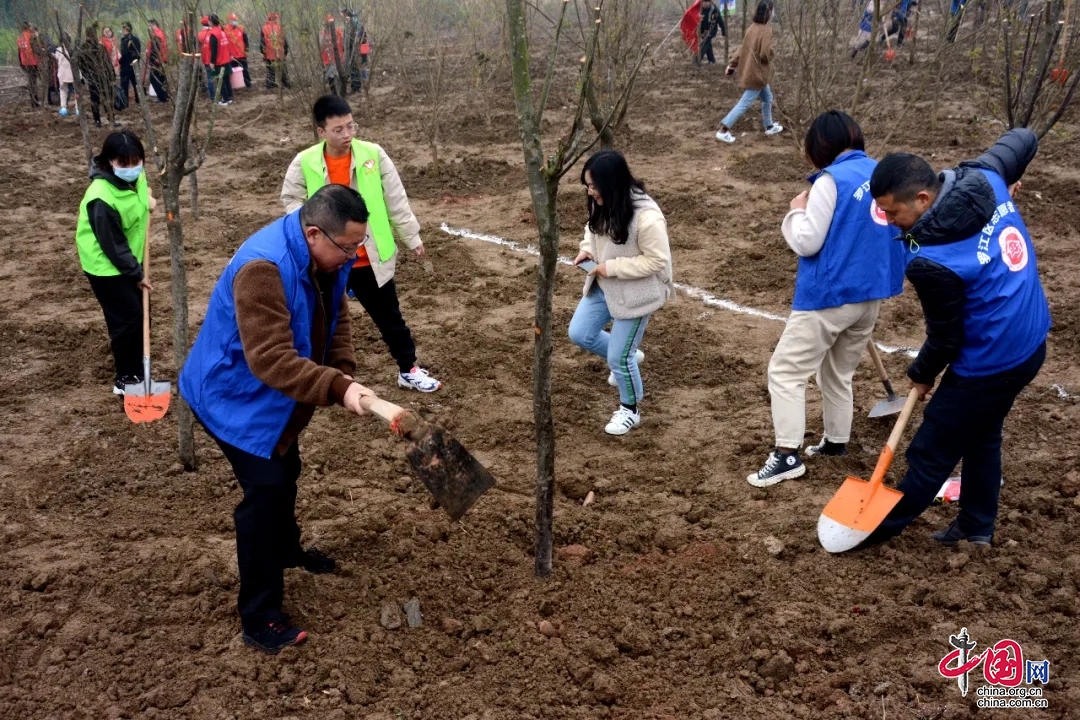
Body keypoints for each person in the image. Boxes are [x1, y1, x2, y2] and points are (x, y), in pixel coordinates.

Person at [180, 185, 376, 653]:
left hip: (270, 397)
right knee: (265, 495)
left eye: (360, 244)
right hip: (229, 397)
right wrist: (337, 388)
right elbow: (269, 359)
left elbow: (336, 313)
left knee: (287, 467)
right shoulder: (262, 271)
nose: (355, 254)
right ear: (313, 234)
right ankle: (260, 616)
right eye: (349, 247)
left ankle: (287, 552)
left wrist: (343, 367)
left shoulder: (330, 255)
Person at [860, 129, 1049, 548]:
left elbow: (946, 337)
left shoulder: (929, 260)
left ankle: (873, 531)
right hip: (1031, 338)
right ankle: (976, 524)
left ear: (924, 200)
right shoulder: (984, 176)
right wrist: (1010, 181)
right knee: (982, 432)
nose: (889, 223)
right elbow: (1023, 137)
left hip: (992, 359)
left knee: (933, 447)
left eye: (893, 213)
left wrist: (921, 373)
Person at [747, 111, 906, 487]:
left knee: (785, 372)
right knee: (837, 372)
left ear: (820, 147)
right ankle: (836, 442)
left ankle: (787, 455)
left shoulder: (830, 181)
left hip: (830, 296)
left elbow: (807, 241)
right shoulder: (884, 173)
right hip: (872, 295)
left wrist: (795, 211)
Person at [281, 95, 443, 393]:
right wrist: (311, 228)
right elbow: (290, 199)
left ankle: (408, 369)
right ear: (321, 132)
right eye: (338, 129)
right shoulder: (305, 162)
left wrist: (411, 236)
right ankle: (319, 378)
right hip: (327, 258)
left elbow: (396, 198)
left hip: (370, 255)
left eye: (350, 126)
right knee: (321, 318)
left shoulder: (373, 154)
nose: (347, 135)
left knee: (390, 317)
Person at [569, 150, 675, 436]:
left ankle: (630, 410)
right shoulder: (601, 201)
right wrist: (587, 249)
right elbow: (592, 232)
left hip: (637, 293)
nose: (590, 192)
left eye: (594, 186)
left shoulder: (647, 217)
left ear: (612, 183)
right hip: (605, 285)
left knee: (618, 359)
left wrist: (610, 267)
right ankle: (630, 355)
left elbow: (657, 261)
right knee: (579, 333)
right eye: (587, 186)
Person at [75, 131, 156, 395]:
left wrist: (148, 203)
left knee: (140, 314)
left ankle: (135, 367)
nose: (132, 168)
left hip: (128, 256)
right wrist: (136, 273)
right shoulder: (100, 197)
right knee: (128, 319)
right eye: (124, 164)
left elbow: (140, 195)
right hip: (104, 265)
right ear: (110, 162)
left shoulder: (137, 177)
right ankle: (126, 380)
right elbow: (112, 245)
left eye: (136, 162)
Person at [715, 0, 783, 143]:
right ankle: (724, 130)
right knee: (744, 104)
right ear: (769, 12)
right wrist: (772, 53)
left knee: (767, 98)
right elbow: (765, 54)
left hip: (754, 74)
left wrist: (732, 65)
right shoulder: (766, 30)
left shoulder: (752, 28)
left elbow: (742, 48)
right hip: (758, 75)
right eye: (772, 10)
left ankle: (769, 126)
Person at [80, 26, 117, 127]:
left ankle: (97, 121)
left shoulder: (83, 48)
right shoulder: (100, 47)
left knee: (94, 99)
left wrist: (85, 76)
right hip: (103, 76)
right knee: (107, 98)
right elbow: (107, 63)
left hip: (92, 77)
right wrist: (112, 75)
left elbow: (81, 65)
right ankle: (111, 119)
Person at [207, 15, 234, 106]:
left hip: (219, 61)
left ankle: (225, 100)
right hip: (226, 59)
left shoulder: (213, 33)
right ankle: (229, 97)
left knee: (220, 80)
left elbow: (214, 49)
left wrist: (212, 62)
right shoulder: (222, 31)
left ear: (211, 22)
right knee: (226, 79)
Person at [261, 12, 291, 89]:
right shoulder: (280, 27)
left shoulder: (264, 28)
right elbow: (285, 42)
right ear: (274, 18)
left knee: (271, 71)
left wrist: (263, 53)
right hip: (280, 53)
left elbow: (262, 43)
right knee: (283, 71)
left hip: (269, 54)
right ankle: (285, 84)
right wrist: (285, 52)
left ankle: (270, 85)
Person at [117, 22, 141, 108]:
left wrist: (120, 62)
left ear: (125, 29)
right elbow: (138, 54)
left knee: (124, 86)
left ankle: (125, 103)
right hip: (135, 66)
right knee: (136, 85)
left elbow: (124, 53)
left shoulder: (125, 40)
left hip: (126, 66)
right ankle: (139, 101)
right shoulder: (136, 39)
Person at [225, 14, 252, 89]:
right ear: (229, 20)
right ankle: (235, 86)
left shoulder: (241, 28)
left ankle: (248, 84)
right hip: (231, 55)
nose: (235, 21)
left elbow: (245, 40)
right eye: (233, 20)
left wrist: (246, 50)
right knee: (232, 71)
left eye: (235, 20)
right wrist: (229, 54)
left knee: (245, 70)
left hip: (242, 54)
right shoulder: (225, 30)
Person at [320, 15, 346, 94]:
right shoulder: (323, 33)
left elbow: (344, 43)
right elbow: (321, 47)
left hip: (337, 59)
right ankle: (334, 92)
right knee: (330, 77)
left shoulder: (338, 31)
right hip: (327, 59)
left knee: (336, 75)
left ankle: (338, 93)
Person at [18, 22, 41, 108]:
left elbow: (19, 51)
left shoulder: (20, 37)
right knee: (33, 82)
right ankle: (35, 102)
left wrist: (21, 63)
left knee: (31, 81)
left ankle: (33, 101)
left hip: (25, 62)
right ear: (28, 27)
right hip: (32, 61)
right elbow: (37, 49)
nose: (32, 27)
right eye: (31, 26)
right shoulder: (32, 36)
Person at [53, 38, 78, 117]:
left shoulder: (58, 50)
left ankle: (63, 107)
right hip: (73, 74)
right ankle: (77, 108)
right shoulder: (73, 49)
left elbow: (56, 57)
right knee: (76, 91)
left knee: (63, 90)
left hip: (62, 73)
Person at [146, 19, 169, 102]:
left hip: (157, 61)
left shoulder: (156, 35)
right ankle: (164, 96)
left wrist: (152, 61)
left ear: (153, 25)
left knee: (154, 79)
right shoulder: (160, 33)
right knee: (161, 79)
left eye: (149, 25)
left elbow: (155, 50)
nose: (148, 27)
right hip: (163, 59)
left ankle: (162, 97)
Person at [698, 0, 726, 65]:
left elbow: (720, 21)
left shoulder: (715, 10)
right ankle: (711, 60)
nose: (705, 3)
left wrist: (723, 32)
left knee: (705, 41)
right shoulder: (699, 9)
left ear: (710, 2)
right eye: (704, 2)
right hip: (702, 30)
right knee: (708, 44)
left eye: (707, 1)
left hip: (712, 30)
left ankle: (698, 58)